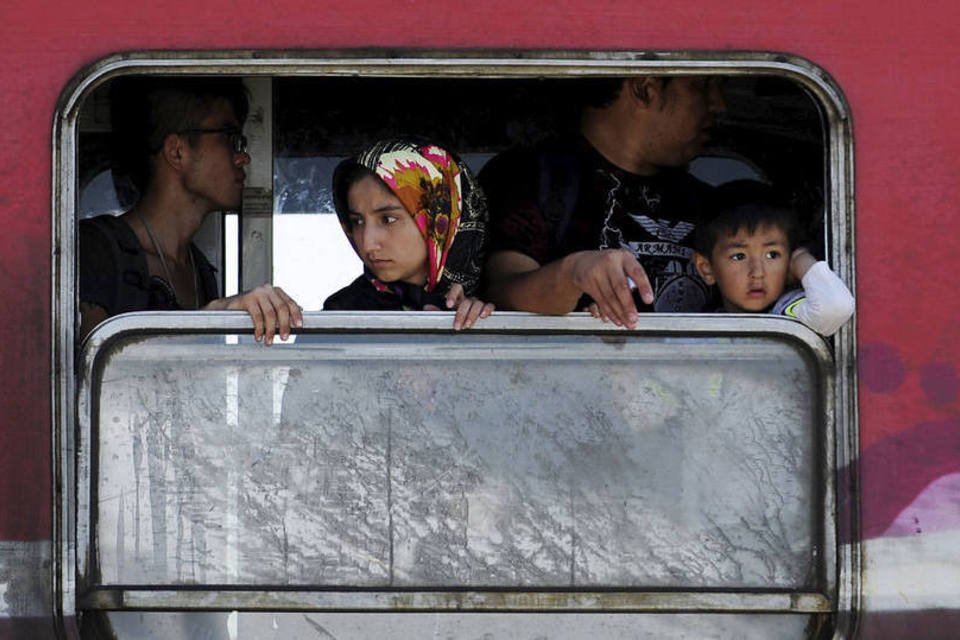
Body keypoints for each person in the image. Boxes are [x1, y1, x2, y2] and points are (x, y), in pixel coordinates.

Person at [479, 75, 726, 328]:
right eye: (702, 85)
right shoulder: (530, 177)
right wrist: (572, 273)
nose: (720, 104)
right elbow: (502, 295)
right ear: (645, 89)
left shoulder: (713, 204)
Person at [79, 78, 303, 344]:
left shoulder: (199, 271)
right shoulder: (97, 249)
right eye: (231, 139)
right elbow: (87, 367)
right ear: (177, 152)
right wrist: (214, 313)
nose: (244, 158)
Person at [323, 138, 493, 330]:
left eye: (388, 219)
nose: (367, 243)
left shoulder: (502, 302)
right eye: (358, 222)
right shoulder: (342, 315)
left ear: (441, 221)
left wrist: (484, 327)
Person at [690, 182, 854, 336]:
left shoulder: (786, 309)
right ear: (707, 268)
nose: (758, 272)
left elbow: (835, 308)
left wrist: (800, 259)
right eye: (739, 256)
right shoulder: (701, 321)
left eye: (772, 255)